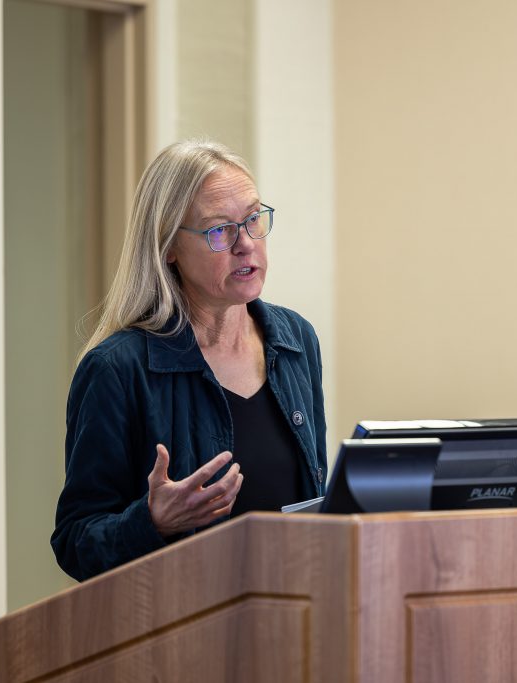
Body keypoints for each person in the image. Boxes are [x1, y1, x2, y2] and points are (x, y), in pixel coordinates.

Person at [51, 139, 327, 581]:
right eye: (220, 229)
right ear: (168, 248)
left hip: (290, 619)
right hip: (182, 632)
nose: (245, 245)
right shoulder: (117, 369)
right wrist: (152, 521)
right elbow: (76, 540)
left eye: (254, 219)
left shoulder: (296, 341)